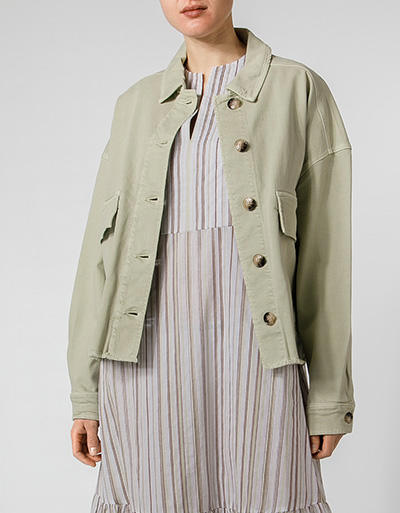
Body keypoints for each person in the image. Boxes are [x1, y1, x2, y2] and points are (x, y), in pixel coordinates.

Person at [68, 2, 355, 512]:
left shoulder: (298, 89)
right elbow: (101, 256)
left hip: (258, 357)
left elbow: (325, 257)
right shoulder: (134, 106)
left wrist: (329, 395)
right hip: (146, 363)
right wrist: (85, 391)